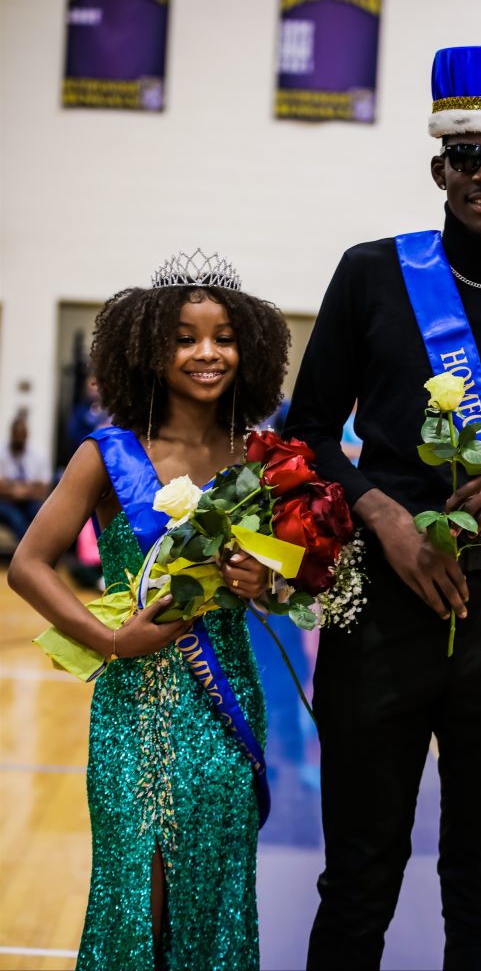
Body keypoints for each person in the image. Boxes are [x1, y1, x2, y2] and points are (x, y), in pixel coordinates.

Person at [285, 45, 481, 970]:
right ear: (439, 169)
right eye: (466, 153)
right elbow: (306, 436)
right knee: (358, 875)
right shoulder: (369, 274)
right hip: (380, 608)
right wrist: (384, 517)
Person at [8, 248, 291, 971]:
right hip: (133, 707)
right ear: (148, 351)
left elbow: (287, 584)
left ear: (250, 349)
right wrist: (109, 642)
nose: (207, 353)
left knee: (215, 894)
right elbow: (28, 565)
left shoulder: (259, 460)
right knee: (139, 889)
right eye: (184, 339)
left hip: (225, 699)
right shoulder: (107, 454)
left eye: (224, 337)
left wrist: (266, 584)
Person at [0, 413, 52, 542]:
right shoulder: (2, 452)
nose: (18, 440)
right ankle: (30, 548)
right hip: (6, 501)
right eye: (15, 436)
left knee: (42, 516)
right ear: (11, 434)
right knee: (16, 518)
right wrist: (29, 487)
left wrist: (16, 488)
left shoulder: (38, 454)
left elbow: (44, 488)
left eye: (21, 436)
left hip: (30, 500)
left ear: (26, 435)